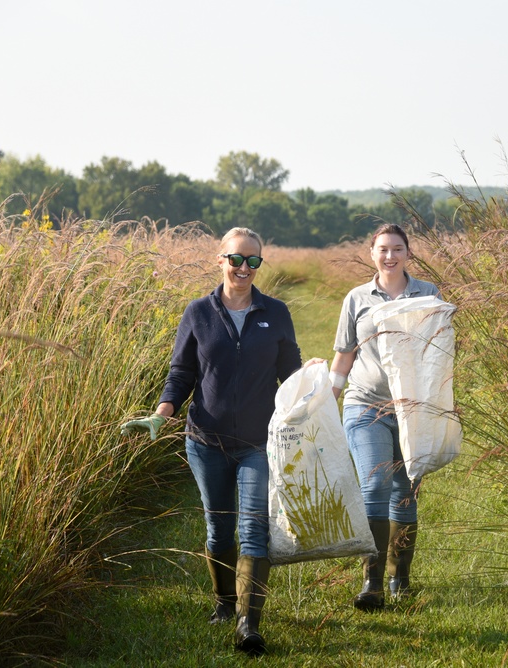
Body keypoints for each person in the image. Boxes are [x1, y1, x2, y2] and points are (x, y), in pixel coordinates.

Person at [121, 227, 304, 656]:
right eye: (236, 259)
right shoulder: (198, 313)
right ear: (220, 259)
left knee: (253, 529)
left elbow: (290, 374)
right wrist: (161, 414)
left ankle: (248, 622)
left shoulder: (275, 313)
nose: (244, 268)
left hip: (259, 442)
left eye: (253, 261)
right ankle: (224, 602)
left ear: (260, 264)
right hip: (205, 440)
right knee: (219, 528)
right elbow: (181, 374)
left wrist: (310, 383)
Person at [328, 223, 440, 611]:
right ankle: (371, 582)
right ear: (371, 253)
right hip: (364, 404)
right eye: (383, 250)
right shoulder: (357, 298)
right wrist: (329, 399)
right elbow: (345, 354)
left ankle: (400, 577)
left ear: (409, 253)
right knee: (374, 485)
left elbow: (437, 352)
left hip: (412, 409)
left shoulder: (428, 294)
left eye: (397, 249)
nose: (390, 256)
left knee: (405, 493)